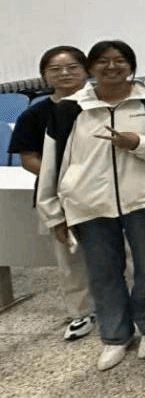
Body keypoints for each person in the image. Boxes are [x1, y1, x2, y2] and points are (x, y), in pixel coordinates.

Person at [38, 40, 145, 371]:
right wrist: (53, 212)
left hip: (144, 199)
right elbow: (51, 166)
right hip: (88, 203)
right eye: (103, 61)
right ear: (91, 68)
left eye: (119, 60)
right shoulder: (69, 109)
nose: (112, 67)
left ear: (131, 66)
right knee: (103, 272)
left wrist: (139, 143)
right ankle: (115, 335)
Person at [8, 46, 95, 341]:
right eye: (55, 69)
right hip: (57, 194)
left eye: (72, 67)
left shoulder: (100, 105)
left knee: (120, 251)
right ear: (44, 75)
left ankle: (127, 305)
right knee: (69, 255)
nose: (65, 73)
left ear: (86, 70)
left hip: (103, 191)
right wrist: (63, 179)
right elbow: (28, 158)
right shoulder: (35, 114)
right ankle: (82, 312)